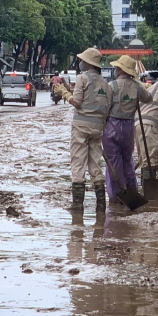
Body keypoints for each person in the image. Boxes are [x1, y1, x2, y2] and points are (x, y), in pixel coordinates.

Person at [56, 47, 111, 210]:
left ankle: (77, 205)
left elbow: (78, 102)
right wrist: (67, 87)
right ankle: (101, 204)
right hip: (98, 128)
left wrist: (64, 93)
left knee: (78, 162)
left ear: (87, 63)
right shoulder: (105, 83)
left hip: (81, 127)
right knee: (95, 163)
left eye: (82, 60)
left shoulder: (82, 78)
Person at [102, 54, 151, 201]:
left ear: (120, 69)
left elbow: (105, 107)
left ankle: (117, 195)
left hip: (112, 126)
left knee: (113, 161)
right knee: (127, 159)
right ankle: (131, 192)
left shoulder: (111, 86)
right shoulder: (137, 86)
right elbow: (149, 98)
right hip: (129, 126)